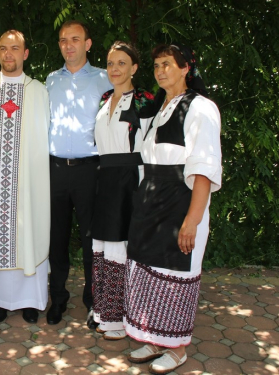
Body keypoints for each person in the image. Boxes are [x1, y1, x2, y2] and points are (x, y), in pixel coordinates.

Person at [124, 44, 222, 374]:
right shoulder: (161, 107)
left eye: (168, 64)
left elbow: (204, 168)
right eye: (156, 65)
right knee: (151, 272)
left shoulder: (201, 108)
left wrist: (192, 221)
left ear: (185, 69)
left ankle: (177, 348)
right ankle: (154, 337)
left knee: (176, 273)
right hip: (151, 202)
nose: (161, 70)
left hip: (180, 202)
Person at [0, 30, 50, 324]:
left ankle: (30, 300)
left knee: (28, 231)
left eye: (15, 48)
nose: (8, 54)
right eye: (3, 48)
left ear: (25, 53)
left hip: (30, 181)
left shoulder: (39, 91)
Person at [46, 20, 112, 327]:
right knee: (55, 239)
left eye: (75, 39)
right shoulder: (48, 81)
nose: (68, 45)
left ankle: (93, 302)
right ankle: (57, 298)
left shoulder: (105, 79)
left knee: (91, 240)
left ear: (88, 44)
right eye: (63, 40)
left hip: (90, 170)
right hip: (54, 170)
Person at [91, 41, 154, 341]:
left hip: (130, 179)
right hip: (105, 179)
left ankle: (125, 317)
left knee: (124, 246)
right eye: (111, 63)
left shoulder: (144, 101)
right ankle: (105, 310)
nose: (115, 69)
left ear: (134, 68)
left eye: (122, 63)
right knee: (103, 245)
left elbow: (153, 146)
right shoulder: (104, 99)